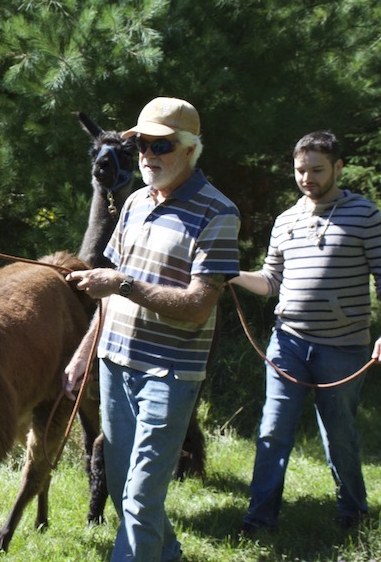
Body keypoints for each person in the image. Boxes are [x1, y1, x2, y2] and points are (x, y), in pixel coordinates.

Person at [63, 97, 240, 561]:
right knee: (123, 487)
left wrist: (122, 283)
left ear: (188, 150)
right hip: (114, 366)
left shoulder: (218, 212)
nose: (146, 155)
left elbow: (199, 305)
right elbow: (107, 297)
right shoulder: (137, 202)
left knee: (141, 497)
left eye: (159, 146)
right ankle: (169, 555)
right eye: (140, 144)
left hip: (168, 374)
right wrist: (84, 354)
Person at [234, 130, 381, 534]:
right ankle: (259, 519)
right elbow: (270, 280)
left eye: (316, 170)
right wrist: (231, 275)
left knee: (339, 434)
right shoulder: (285, 221)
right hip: (288, 342)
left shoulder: (366, 215)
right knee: (272, 430)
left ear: (338, 167)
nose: (307, 178)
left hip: (345, 347)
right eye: (300, 170)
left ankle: (353, 511)